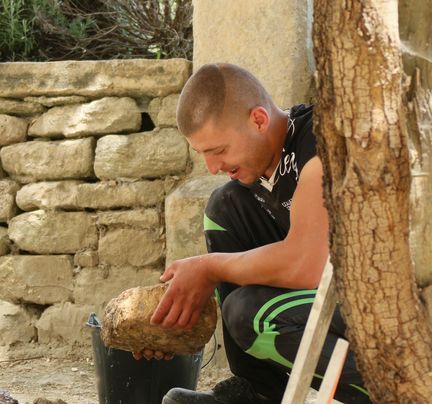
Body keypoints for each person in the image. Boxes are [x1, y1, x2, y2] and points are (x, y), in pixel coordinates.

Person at [134, 63, 371, 403]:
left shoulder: (321, 143)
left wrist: (211, 267)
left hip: (393, 312)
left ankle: (396, 390)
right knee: (225, 207)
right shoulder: (260, 170)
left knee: (251, 316)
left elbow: (308, 264)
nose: (212, 167)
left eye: (218, 151)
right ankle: (258, 392)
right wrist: (167, 327)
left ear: (258, 120)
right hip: (338, 300)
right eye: (203, 155)